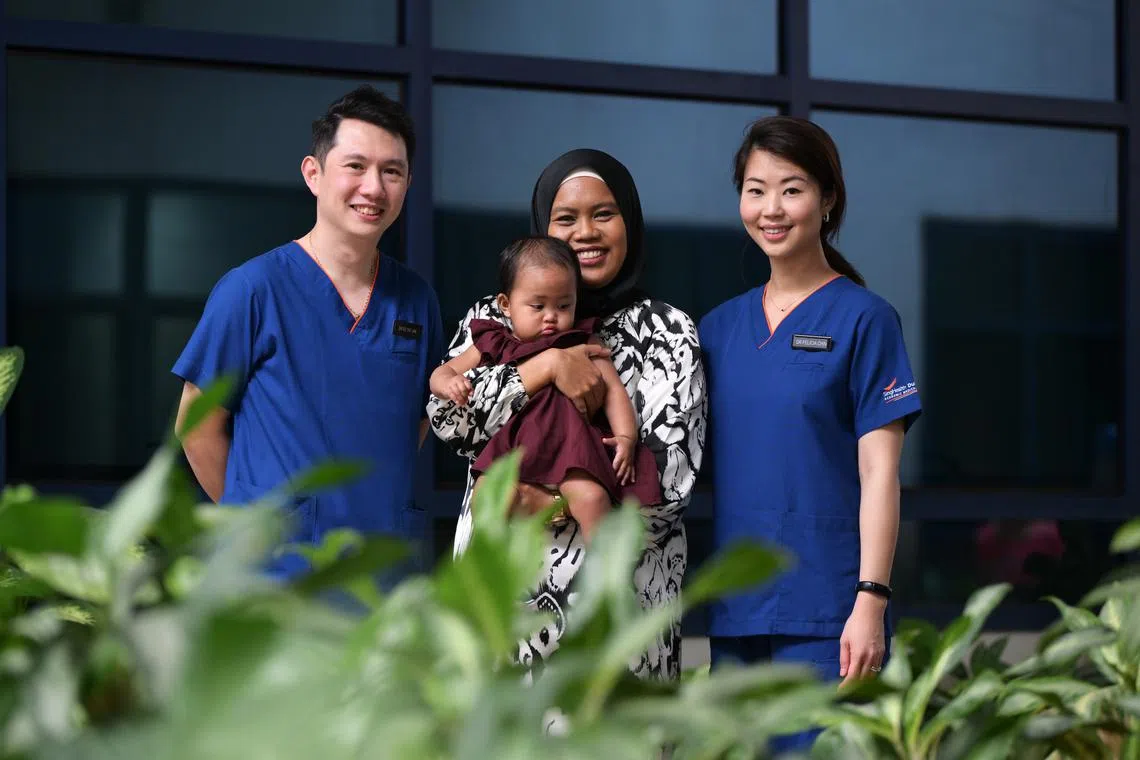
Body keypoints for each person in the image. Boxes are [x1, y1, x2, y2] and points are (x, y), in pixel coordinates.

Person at [428, 149, 706, 679]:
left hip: (614, 643)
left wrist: (546, 498)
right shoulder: (494, 316)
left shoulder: (668, 332)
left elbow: (669, 483)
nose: (586, 232)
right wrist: (547, 366)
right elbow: (450, 423)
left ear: (630, 221)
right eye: (566, 218)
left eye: (604, 213)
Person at [699, 116, 922, 749]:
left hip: (829, 617)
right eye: (755, 188)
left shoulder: (865, 319)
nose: (771, 209)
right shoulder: (715, 330)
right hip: (738, 615)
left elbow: (880, 474)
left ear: (828, 200)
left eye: (792, 189)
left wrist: (870, 601)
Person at [173, 85, 443, 577]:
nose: (374, 188)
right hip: (276, 581)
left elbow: (417, 422)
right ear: (314, 174)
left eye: (392, 171)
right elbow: (197, 428)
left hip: (382, 578)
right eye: (355, 166)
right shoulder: (252, 289)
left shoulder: (416, 300)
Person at [430, 235, 662, 540]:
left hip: (571, 449)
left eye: (564, 305)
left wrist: (626, 436)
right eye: (538, 306)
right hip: (513, 450)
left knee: (593, 500)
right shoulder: (493, 341)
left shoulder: (582, 342)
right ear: (506, 305)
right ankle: (489, 569)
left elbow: (615, 391)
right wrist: (450, 382)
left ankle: (606, 581)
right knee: (485, 495)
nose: (551, 316)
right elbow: (441, 372)